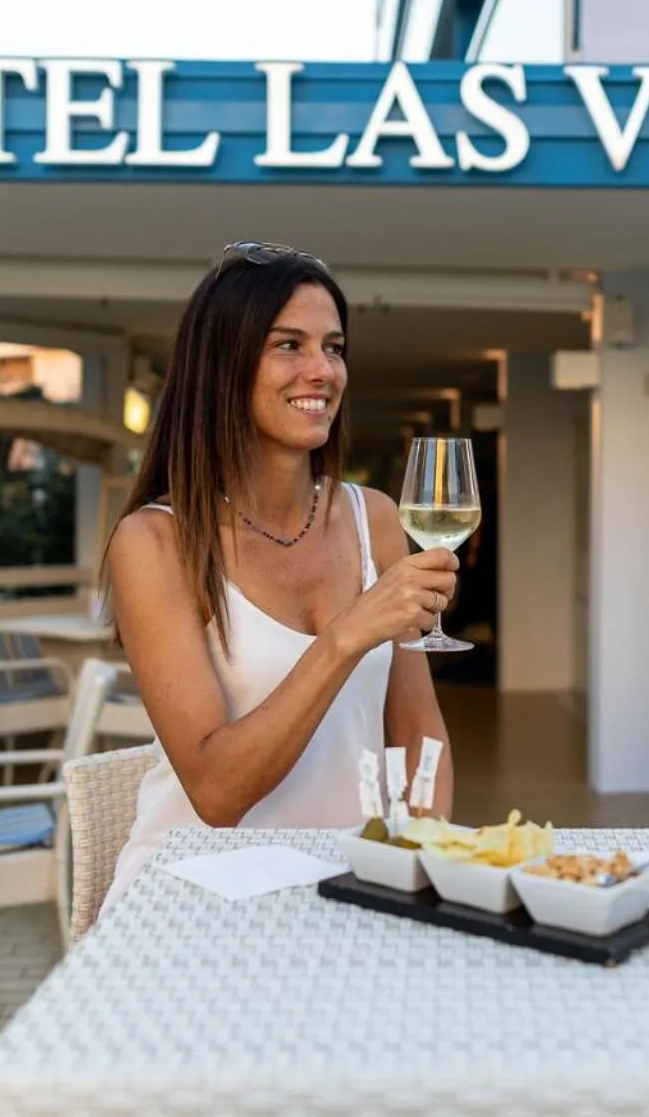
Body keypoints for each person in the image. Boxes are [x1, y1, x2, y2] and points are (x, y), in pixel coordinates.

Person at [101, 241, 458, 911]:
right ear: (222, 366)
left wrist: (424, 860)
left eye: (335, 346)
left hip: (356, 883)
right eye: (288, 345)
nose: (322, 370)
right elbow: (217, 794)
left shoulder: (374, 517)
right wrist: (344, 637)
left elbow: (418, 730)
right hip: (200, 889)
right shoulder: (155, 541)